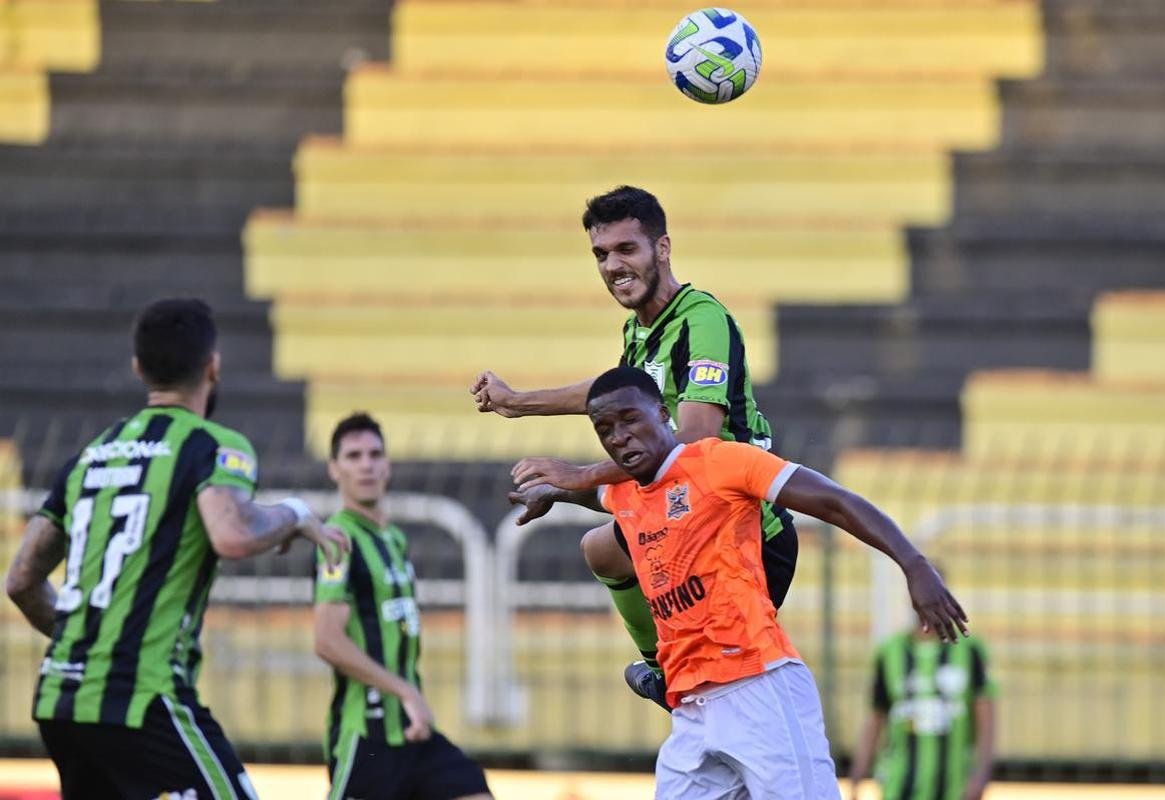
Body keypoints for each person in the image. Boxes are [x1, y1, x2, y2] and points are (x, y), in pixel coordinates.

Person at [509, 366, 969, 800]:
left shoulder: (720, 462)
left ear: (664, 414)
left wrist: (914, 565)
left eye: (631, 419)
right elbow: (596, 492)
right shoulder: (625, 491)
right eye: (606, 430)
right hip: (692, 707)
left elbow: (836, 502)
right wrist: (553, 491)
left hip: (758, 687)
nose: (620, 436)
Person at [4, 298, 348, 800]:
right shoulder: (208, 445)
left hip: (61, 698)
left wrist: (90, 643)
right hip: (142, 698)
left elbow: (20, 580)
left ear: (139, 367)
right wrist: (293, 514)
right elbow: (232, 534)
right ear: (213, 365)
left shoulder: (91, 455)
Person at [470, 185, 798, 708]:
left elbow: (696, 440)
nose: (612, 266)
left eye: (627, 249)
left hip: (741, 531)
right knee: (604, 551)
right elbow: (610, 392)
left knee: (728, 697)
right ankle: (662, 669)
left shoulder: (701, 320)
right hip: (682, 522)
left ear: (662, 248)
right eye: (601, 254)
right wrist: (517, 402)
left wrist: (578, 475)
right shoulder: (639, 330)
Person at [314, 412, 492, 800]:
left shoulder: (392, 538)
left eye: (375, 454)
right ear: (334, 469)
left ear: (387, 465)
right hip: (367, 733)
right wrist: (406, 692)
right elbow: (327, 640)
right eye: (353, 456)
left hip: (412, 732)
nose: (366, 465)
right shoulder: (338, 538)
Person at [848, 586, 997, 800]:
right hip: (899, 786)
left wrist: (981, 777)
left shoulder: (970, 650)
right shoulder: (890, 652)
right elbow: (875, 718)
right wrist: (857, 777)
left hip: (954, 787)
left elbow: (986, 720)